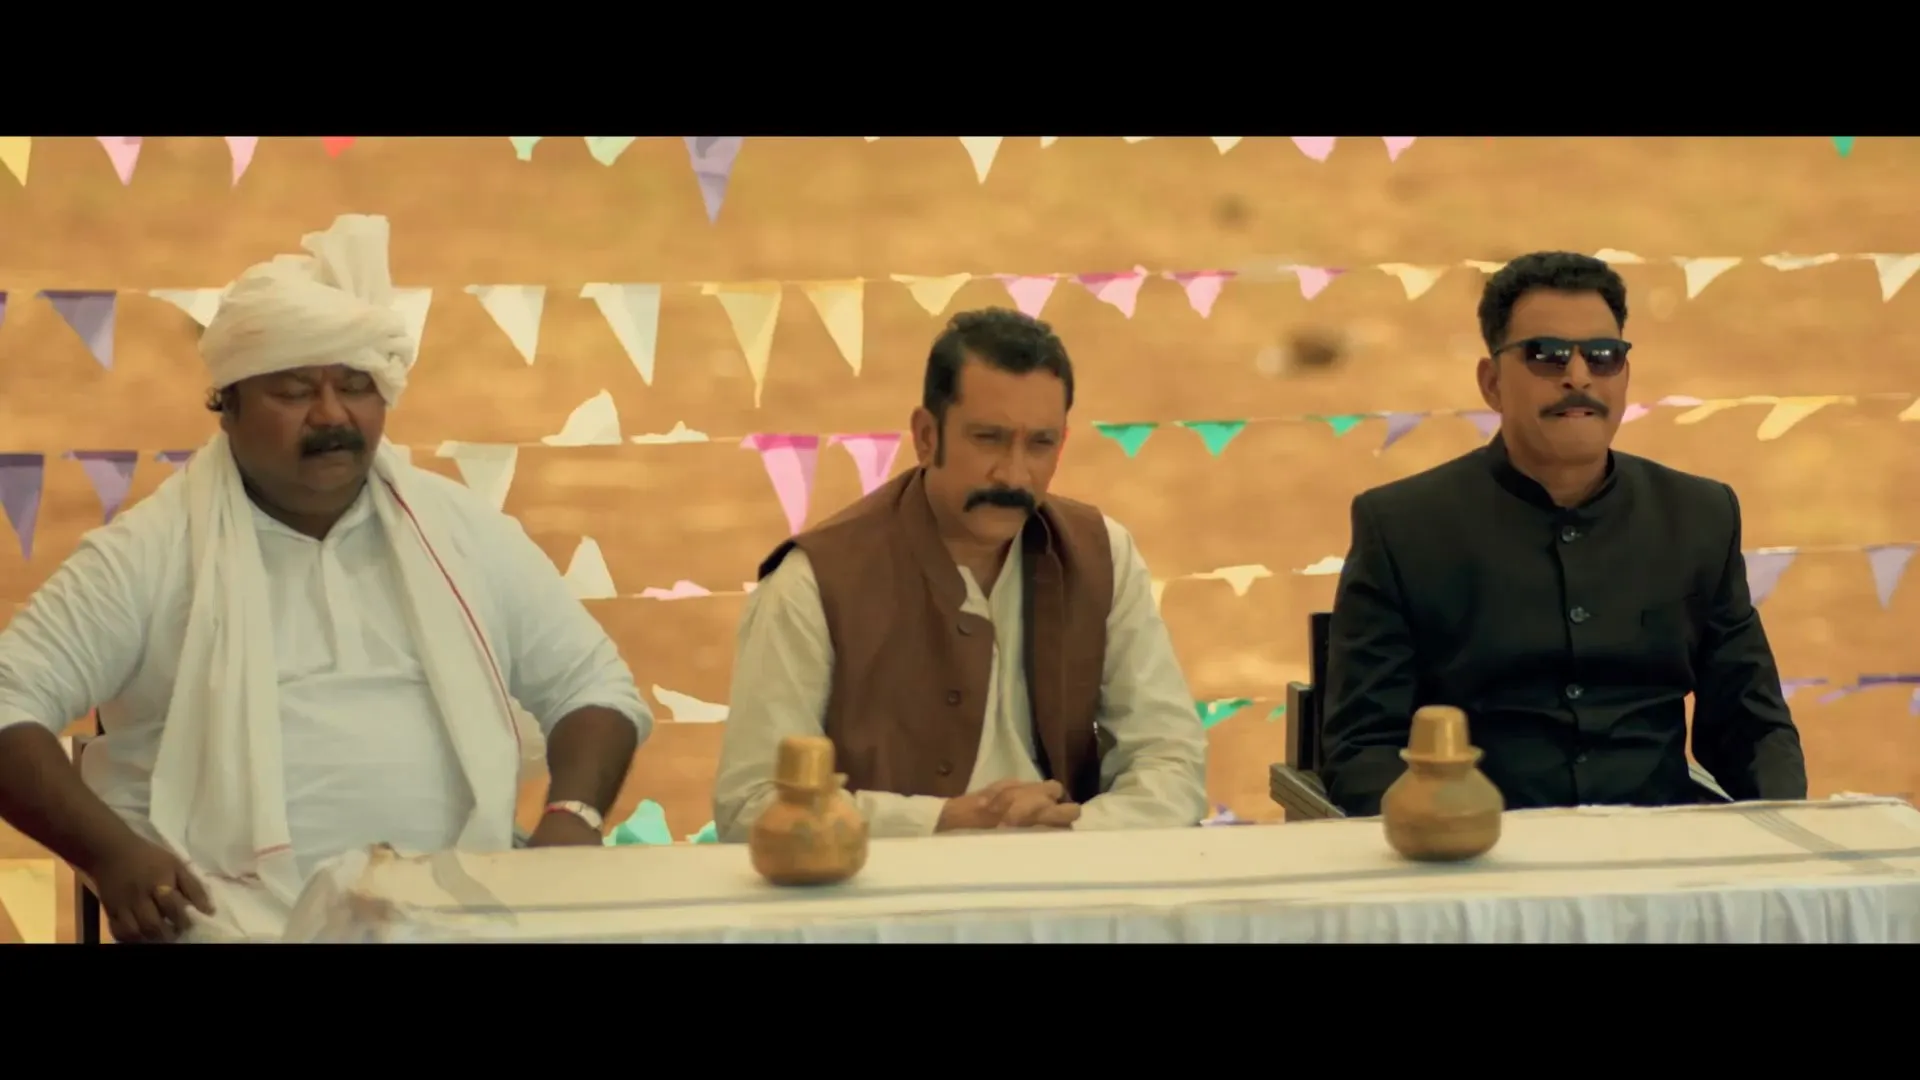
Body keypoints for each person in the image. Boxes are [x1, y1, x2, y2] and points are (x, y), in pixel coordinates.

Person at [0, 214, 650, 943]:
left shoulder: (461, 531)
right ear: (228, 406)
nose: (331, 415)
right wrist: (112, 855)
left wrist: (573, 816)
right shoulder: (150, 551)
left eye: (356, 386)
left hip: (460, 910)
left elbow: (594, 687)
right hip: (229, 922)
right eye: (293, 390)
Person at [1320, 251, 1806, 817]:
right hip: (1477, 849)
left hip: (1656, 846)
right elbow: (1363, 749)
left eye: (1603, 356)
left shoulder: (1698, 517)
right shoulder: (1404, 528)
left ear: (1625, 376)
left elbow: (1750, 725)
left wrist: (1793, 829)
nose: (1578, 376)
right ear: (1492, 383)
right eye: (1546, 355)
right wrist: (1441, 835)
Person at [713, 307, 1209, 841]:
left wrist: (1071, 830)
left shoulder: (1101, 555)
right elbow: (751, 805)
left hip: (1067, 874)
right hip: (886, 887)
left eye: (1040, 444)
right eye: (989, 438)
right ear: (927, 436)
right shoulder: (813, 583)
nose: (1013, 474)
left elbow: (1171, 761)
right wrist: (944, 821)